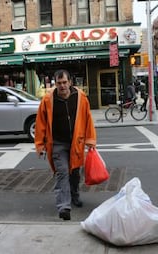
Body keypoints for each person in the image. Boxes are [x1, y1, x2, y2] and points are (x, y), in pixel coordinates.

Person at [35, 69, 97, 221]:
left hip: (76, 143)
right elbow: (40, 123)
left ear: (70, 82)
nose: (62, 86)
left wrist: (90, 141)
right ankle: (64, 206)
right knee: (62, 172)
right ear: (55, 83)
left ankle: (74, 195)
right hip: (57, 143)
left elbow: (88, 119)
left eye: (64, 82)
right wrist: (40, 143)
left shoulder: (81, 97)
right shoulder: (48, 100)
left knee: (75, 173)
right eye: (59, 83)